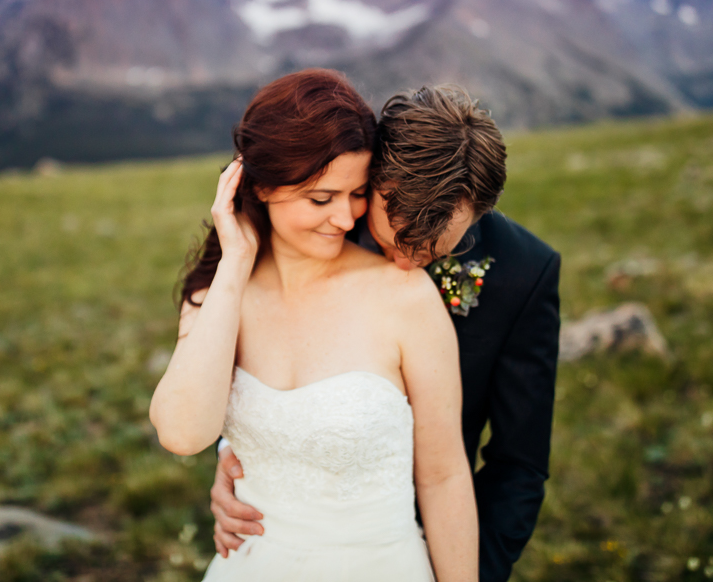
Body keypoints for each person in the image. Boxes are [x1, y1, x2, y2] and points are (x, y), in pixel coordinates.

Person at [210, 85, 561, 582]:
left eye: (433, 252)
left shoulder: (527, 272)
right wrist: (235, 456)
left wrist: (465, 574)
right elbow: (248, 343)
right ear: (375, 178)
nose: (404, 264)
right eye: (390, 238)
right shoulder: (320, 224)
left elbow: (519, 464)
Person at [149, 70, 478, 582]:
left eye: (358, 193)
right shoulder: (215, 296)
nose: (345, 219)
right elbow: (183, 433)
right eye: (321, 199)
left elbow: (443, 476)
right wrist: (235, 263)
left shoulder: (405, 296)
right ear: (259, 186)